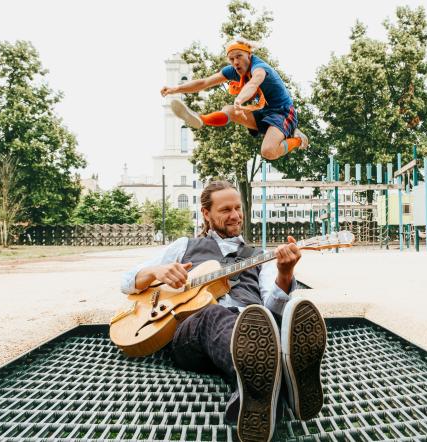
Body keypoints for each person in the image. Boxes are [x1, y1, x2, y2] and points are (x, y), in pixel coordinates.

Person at [121, 180, 327, 442]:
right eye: (226, 209)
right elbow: (126, 281)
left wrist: (285, 274)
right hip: (192, 335)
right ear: (206, 214)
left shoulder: (258, 255)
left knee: (267, 317)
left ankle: (256, 391)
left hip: (251, 327)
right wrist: (155, 271)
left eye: (238, 208)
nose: (235, 215)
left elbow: (272, 304)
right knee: (215, 313)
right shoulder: (184, 246)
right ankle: (286, 373)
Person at [160, 38, 309, 161]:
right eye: (232, 59)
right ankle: (201, 119)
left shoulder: (260, 68)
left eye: (239, 56)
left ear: (249, 55)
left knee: (268, 151)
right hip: (263, 112)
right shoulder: (232, 70)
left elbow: (253, 83)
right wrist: (175, 89)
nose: (235, 62)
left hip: (283, 113)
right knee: (229, 110)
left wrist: (240, 99)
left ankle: (298, 139)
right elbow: (204, 82)